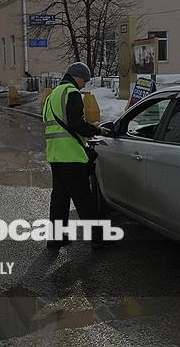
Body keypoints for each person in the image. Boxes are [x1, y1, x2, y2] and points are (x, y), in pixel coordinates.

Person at [43, 62, 110, 250]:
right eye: (85, 81)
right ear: (78, 77)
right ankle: (98, 238)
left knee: (60, 199)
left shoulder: (53, 95)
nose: (85, 85)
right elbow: (76, 124)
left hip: (55, 154)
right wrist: (96, 129)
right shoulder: (71, 93)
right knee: (83, 198)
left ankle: (56, 238)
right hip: (71, 155)